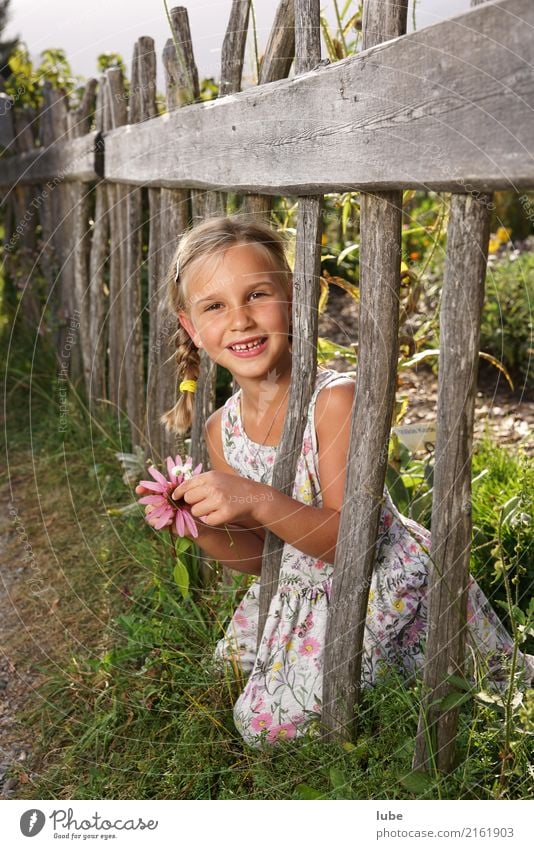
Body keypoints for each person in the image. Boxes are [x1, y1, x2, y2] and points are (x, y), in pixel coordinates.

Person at [138, 215, 533, 748]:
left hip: (375, 586)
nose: (240, 320)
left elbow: (355, 544)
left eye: (257, 294)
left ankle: (424, 681)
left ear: (297, 298)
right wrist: (201, 528)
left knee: (265, 726)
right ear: (191, 327)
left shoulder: (334, 401)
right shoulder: (220, 430)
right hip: (295, 588)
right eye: (214, 306)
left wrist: (254, 497)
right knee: (227, 672)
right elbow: (261, 558)